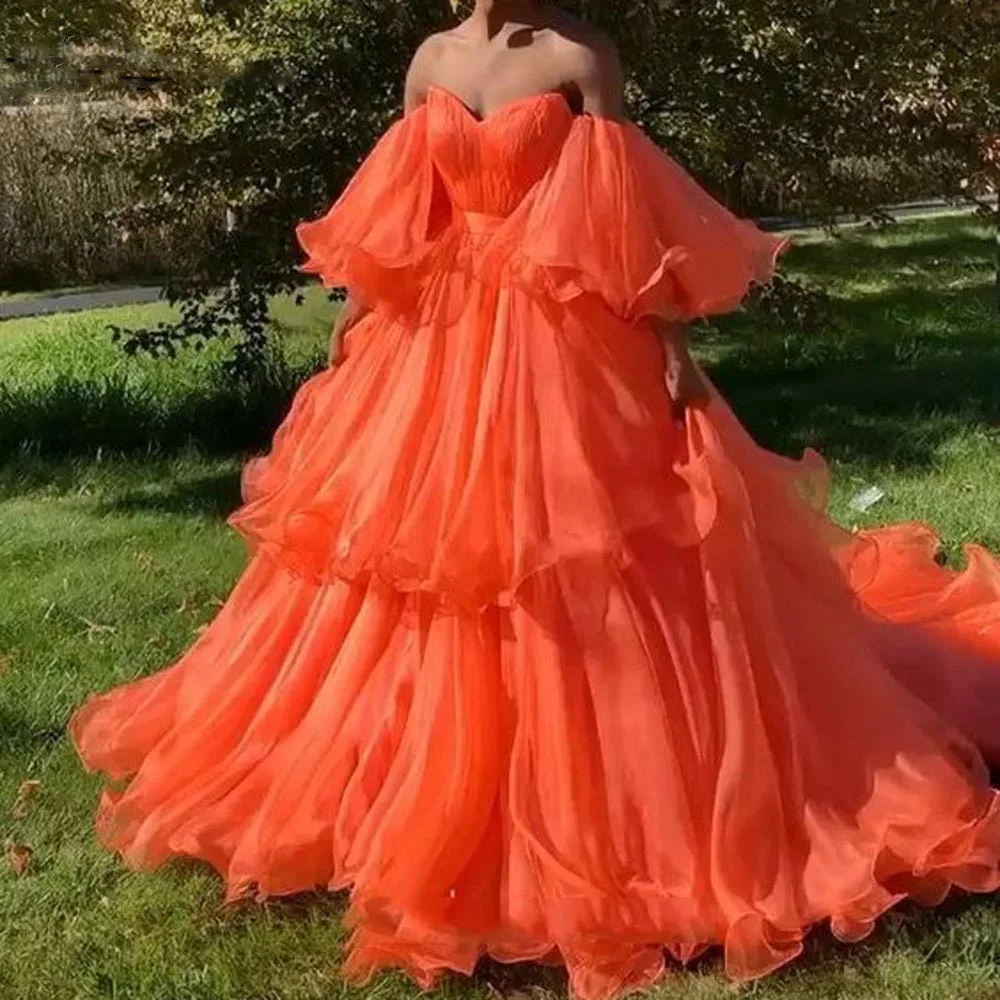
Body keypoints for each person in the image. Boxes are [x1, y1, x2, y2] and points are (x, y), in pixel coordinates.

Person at [71, 3, 1000, 998]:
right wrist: (360, 315)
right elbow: (409, 210)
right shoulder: (431, 58)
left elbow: (620, 214)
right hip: (433, 337)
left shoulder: (577, 54)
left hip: (561, 336)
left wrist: (672, 348)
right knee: (411, 553)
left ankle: (617, 804)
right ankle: (390, 787)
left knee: (583, 548)